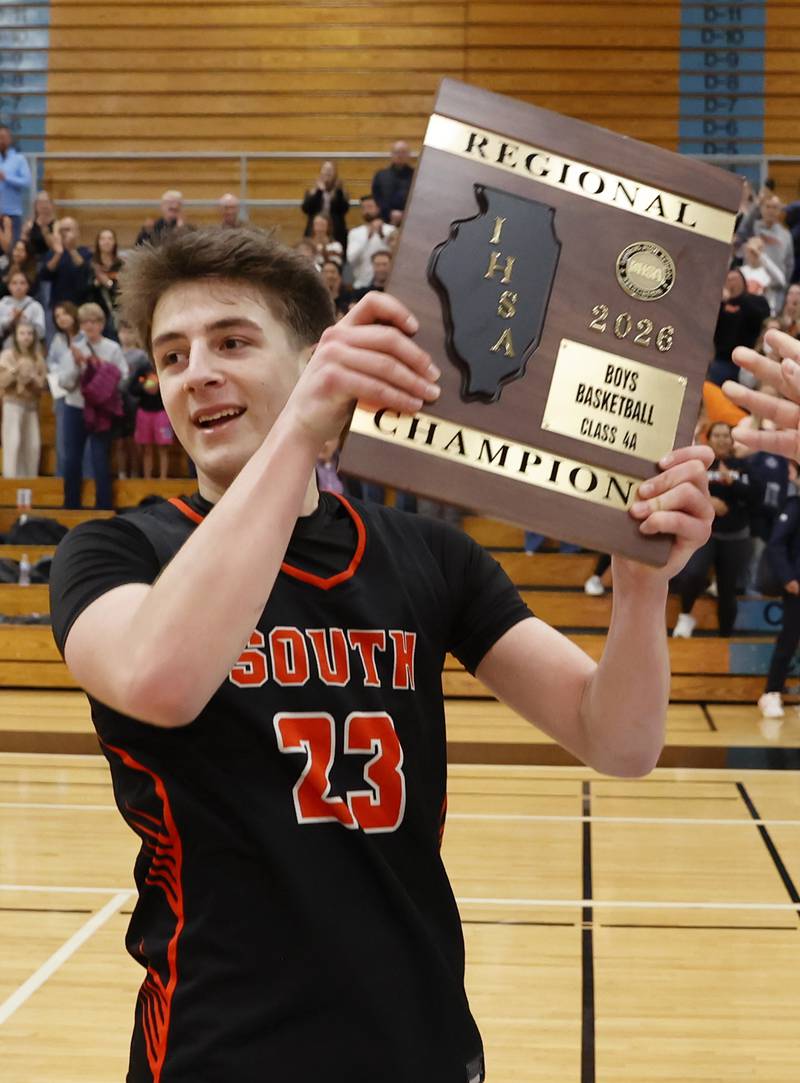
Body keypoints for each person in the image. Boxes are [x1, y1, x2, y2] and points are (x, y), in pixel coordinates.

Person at [49, 226, 712, 1083]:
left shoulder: (430, 556)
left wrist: (638, 582)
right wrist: (299, 436)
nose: (196, 372)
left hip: (417, 1038)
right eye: (172, 356)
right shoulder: (111, 553)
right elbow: (160, 679)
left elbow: (617, 740)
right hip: (218, 1046)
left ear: (315, 356)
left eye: (232, 342)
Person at [672, 421, 760, 638]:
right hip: (704, 535)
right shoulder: (700, 465)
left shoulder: (743, 465)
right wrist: (708, 502)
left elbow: (757, 498)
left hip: (735, 537)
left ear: (731, 440)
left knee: (727, 590)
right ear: (708, 439)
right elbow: (684, 490)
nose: (721, 439)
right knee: (693, 574)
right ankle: (685, 615)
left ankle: (724, 638)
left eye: (725, 435)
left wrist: (732, 482)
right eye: (717, 435)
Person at [57, 302, 128, 509]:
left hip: (101, 411)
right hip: (75, 407)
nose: (90, 326)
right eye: (85, 322)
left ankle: (104, 506)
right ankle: (71, 505)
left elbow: (123, 375)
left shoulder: (112, 348)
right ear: (80, 325)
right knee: (71, 459)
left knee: (100, 458)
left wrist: (98, 369)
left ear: (102, 324)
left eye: (94, 321)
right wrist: (79, 368)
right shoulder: (74, 349)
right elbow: (64, 383)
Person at [0, 318, 47, 477]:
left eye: (29, 333)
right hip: (12, 403)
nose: (26, 337)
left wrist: (33, 377)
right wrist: (14, 371)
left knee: (33, 446)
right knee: (13, 443)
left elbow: (42, 385)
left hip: (31, 406)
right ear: (16, 336)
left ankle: (30, 482)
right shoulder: (7, 355)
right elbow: (2, 381)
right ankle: (11, 482)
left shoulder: (38, 357)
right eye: (22, 333)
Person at [708, 268, 770, 386]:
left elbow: (762, 316)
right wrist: (720, 302)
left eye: (735, 279)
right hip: (721, 359)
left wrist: (740, 298)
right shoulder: (720, 303)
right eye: (728, 279)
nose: (731, 282)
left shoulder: (755, 300)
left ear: (743, 281)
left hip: (745, 361)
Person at [46, 301, 83, 477]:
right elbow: (50, 363)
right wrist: (60, 375)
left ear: (73, 314)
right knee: (63, 442)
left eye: (64, 314)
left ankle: (87, 478)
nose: (61, 318)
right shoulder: (58, 339)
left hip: (84, 394)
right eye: (57, 316)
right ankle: (62, 480)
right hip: (62, 394)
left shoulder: (84, 336)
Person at [129, 356, 173, 479]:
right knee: (146, 448)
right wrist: (144, 385)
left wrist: (159, 385)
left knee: (163, 448)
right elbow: (131, 389)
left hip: (162, 413)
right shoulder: (142, 368)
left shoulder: (167, 364)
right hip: (144, 412)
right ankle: (147, 479)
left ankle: (163, 478)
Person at [40, 218, 93, 310]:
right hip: (57, 306)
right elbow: (45, 275)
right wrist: (58, 254)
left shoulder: (86, 252)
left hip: (80, 305)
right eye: (61, 230)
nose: (64, 233)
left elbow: (85, 272)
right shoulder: (53, 253)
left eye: (68, 229)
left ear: (77, 232)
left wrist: (71, 249)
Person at [346, 194, 396, 290]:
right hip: (362, 284)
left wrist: (382, 236)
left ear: (378, 208)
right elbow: (351, 259)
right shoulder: (355, 233)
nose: (366, 211)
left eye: (369, 207)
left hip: (388, 285)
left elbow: (397, 256)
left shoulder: (390, 230)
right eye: (364, 208)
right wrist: (368, 237)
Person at [301, 161, 349, 253]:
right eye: (325, 170)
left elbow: (343, 209)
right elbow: (306, 209)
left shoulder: (340, 191)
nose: (327, 173)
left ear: (335, 173)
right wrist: (319, 191)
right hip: (314, 228)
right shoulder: (312, 191)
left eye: (330, 170)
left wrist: (338, 191)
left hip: (336, 229)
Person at [0, 124, 32, 243]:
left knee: (12, 251)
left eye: (3, 137)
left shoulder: (19, 159)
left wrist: (6, 177)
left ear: (9, 139)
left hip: (12, 214)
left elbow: (26, 181)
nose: (1, 141)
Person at [89, 227, 123, 335]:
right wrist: (95, 284)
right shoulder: (91, 264)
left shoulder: (121, 264)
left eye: (110, 239)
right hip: (96, 311)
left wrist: (108, 283)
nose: (106, 242)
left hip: (116, 311)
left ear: (114, 242)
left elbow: (123, 289)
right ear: (98, 243)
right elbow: (84, 289)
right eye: (103, 239)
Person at [372, 140, 414, 224]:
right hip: (385, 220)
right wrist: (390, 213)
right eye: (397, 152)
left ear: (408, 154)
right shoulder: (380, 175)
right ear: (391, 154)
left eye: (403, 152)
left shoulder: (416, 175)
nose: (400, 155)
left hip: (411, 220)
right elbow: (377, 197)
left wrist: (404, 213)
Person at [0, 269, 45, 348]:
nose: (18, 286)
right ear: (9, 286)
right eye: (14, 283)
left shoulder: (35, 306)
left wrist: (24, 320)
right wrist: (10, 319)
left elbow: (41, 333)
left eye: (22, 283)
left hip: (30, 349)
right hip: (8, 348)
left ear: (28, 286)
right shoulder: (2, 304)